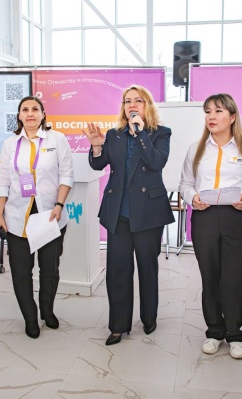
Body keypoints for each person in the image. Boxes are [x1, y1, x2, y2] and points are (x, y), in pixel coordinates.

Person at [82, 85, 174, 346]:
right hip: (119, 213)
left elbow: (156, 162)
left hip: (148, 213)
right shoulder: (115, 135)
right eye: (127, 101)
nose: (132, 105)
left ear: (148, 105)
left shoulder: (160, 133)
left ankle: (149, 317)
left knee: (147, 268)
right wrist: (97, 147)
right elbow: (99, 164)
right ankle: (118, 325)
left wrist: (140, 132)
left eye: (138, 101)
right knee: (118, 271)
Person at [179, 93, 242, 359]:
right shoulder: (196, 149)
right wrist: (192, 197)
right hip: (204, 218)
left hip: (236, 218)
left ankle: (235, 334)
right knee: (210, 277)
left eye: (218, 111)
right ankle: (215, 331)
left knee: (234, 277)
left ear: (232, 116)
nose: (211, 117)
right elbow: (185, 184)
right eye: (208, 112)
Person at [0, 96, 73, 339]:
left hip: (50, 215)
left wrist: (59, 205)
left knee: (50, 269)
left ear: (43, 114)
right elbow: (3, 182)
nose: (30, 113)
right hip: (18, 217)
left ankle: (47, 311)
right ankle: (30, 317)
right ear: (19, 115)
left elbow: (66, 176)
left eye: (35, 109)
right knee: (21, 272)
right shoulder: (9, 144)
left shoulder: (57, 139)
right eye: (25, 110)